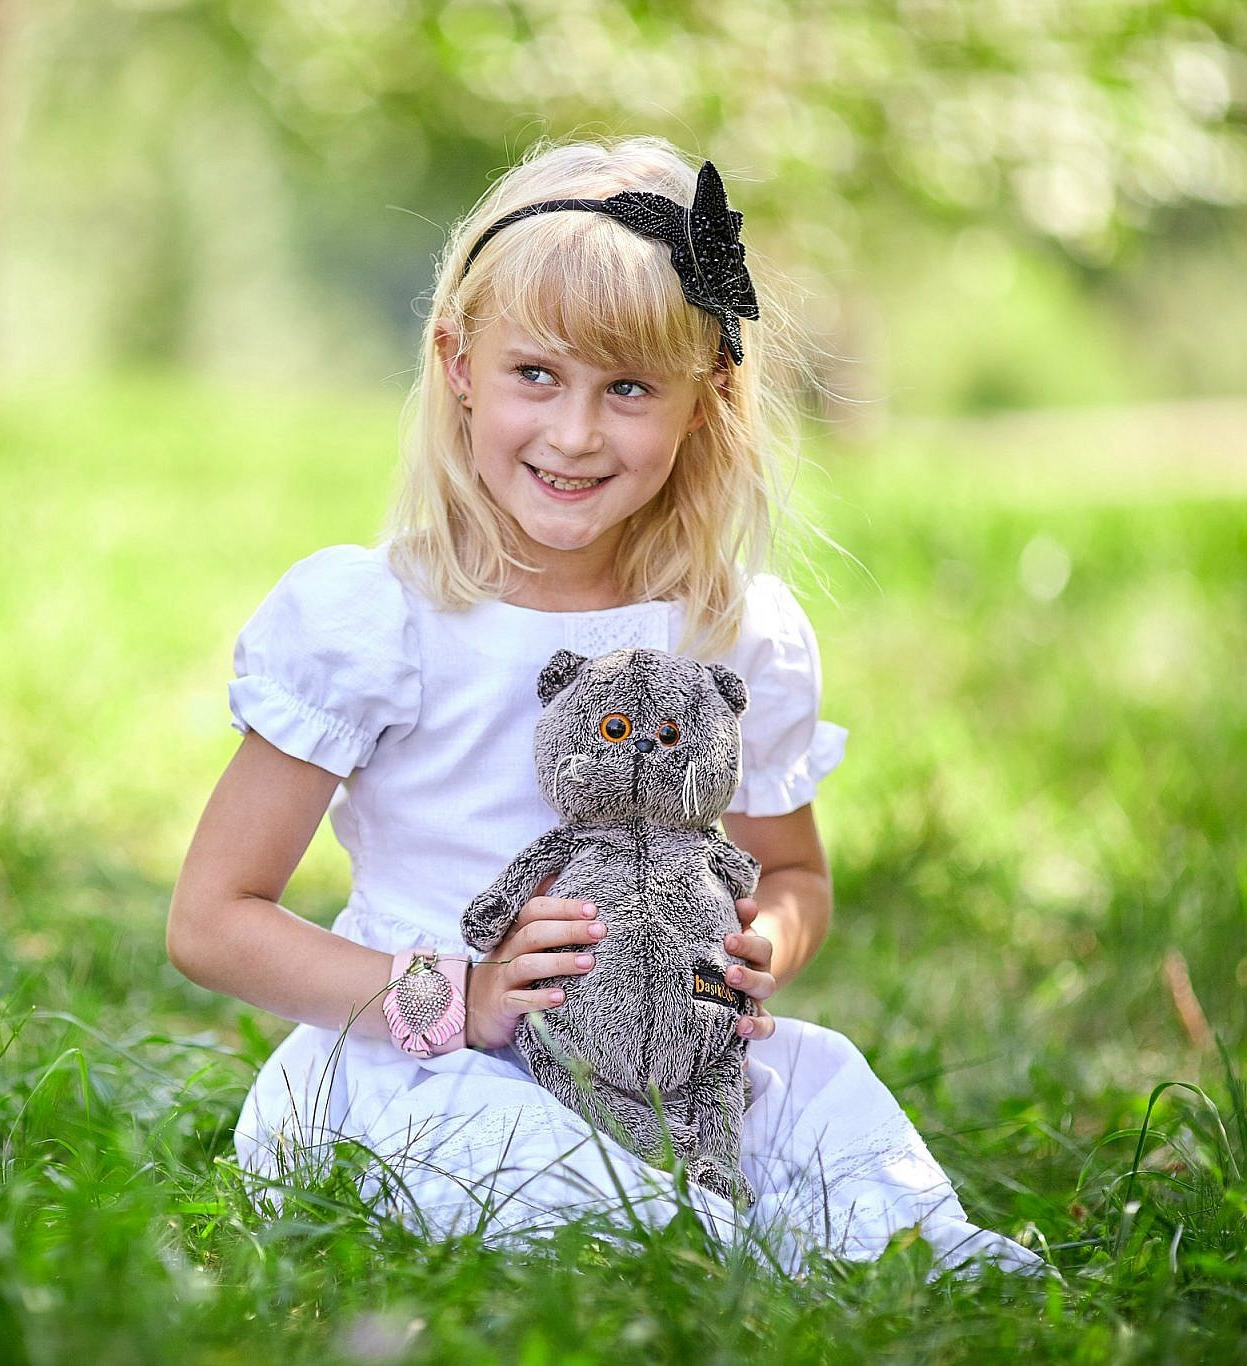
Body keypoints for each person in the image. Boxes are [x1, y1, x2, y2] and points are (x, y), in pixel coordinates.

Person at [167, 135, 1042, 1275]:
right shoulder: (379, 617)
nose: (575, 434)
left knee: (824, 1104)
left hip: (671, 1062)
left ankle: (907, 1258)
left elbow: (794, 877)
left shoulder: (733, 630)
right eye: (536, 374)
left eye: (627, 388)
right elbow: (211, 918)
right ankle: (727, 1260)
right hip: (422, 1067)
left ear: (703, 401)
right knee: (572, 1195)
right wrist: (462, 998)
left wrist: (756, 949)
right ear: (457, 364)